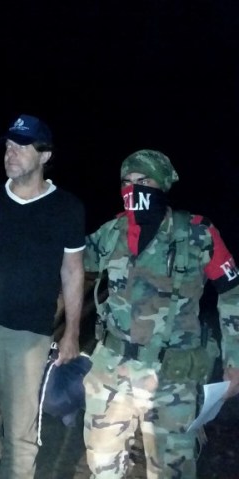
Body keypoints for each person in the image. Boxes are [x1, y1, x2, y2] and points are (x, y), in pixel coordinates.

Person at [82, 149, 239, 478]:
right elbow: (71, 263)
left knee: (172, 471)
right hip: (111, 371)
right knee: (102, 467)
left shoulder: (198, 234)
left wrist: (235, 360)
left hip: (172, 376)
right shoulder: (112, 232)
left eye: (143, 181)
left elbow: (231, 292)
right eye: (126, 182)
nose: (133, 189)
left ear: (162, 185)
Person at [0, 114, 86, 478]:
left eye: (21, 146)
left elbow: (73, 272)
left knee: (21, 434)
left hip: (30, 336)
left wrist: (71, 332)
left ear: (44, 156)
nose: (10, 153)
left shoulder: (67, 208)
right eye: (8, 146)